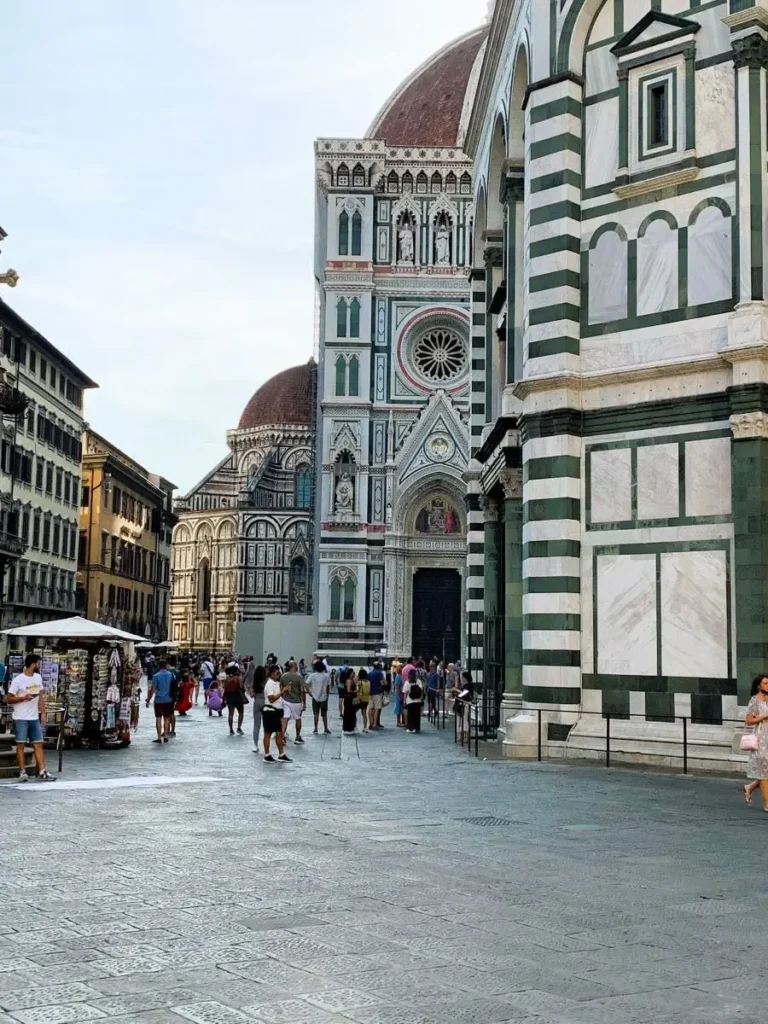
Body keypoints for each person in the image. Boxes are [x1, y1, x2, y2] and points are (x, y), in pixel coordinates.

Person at [6, 653, 56, 781]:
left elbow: (40, 697)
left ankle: (42, 771)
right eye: (38, 663)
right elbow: (9, 699)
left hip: (34, 717)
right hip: (21, 717)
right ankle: (22, 771)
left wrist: (43, 712)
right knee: (21, 745)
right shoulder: (18, 680)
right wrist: (23, 698)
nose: (39, 665)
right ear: (33, 664)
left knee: (38, 744)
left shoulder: (38, 677)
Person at [744, 674, 768, 807]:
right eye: (766, 683)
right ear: (759, 686)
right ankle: (767, 804)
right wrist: (763, 716)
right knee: (764, 772)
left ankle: (750, 787)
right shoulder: (754, 701)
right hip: (762, 738)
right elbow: (749, 721)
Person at [262, 664, 292, 763]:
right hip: (270, 711)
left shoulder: (276, 683)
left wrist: (285, 691)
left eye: (279, 673)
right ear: (272, 674)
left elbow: (279, 696)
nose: (278, 675)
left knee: (279, 733)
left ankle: (281, 754)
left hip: (277, 711)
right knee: (268, 733)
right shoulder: (269, 684)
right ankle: (267, 754)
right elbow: (271, 699)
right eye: (277, 673)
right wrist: (283, 691)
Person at [146, 658, 175, 743]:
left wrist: (148, 700)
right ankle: (165, 735)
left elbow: (153, 689)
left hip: (158, 700)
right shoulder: (171, 675)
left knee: (158, 718)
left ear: (159, 666)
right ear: (166, 665)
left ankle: (159, 737)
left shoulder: (156, 676)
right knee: (167, 718)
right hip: (168, 699)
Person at [280, 660, 306, 743]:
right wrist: (304, 702)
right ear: (293, 666)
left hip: (286, 700)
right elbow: (302, 691)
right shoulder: (299, 677)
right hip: (296, 701)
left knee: (285, 719)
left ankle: (282, 737)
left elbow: (281, 688)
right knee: (298, 718)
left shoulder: (283, 676)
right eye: (296, 665)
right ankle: (297, 737)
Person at [308, 659, 332, 735]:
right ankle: (325, 728)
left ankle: (315, 729)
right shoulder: (326, 676)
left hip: (315, 697)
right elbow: (328, 687)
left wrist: (309, 692)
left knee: (316, 714)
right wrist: (327, 695)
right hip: (324, 697)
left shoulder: (312, 676)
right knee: (324, 714)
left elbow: (306, 684)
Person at [223, 665, 245, 736]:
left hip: (229, 697)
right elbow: (241, 687)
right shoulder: (238, 678)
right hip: (237, 696)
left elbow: (224, 688)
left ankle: (231, 729)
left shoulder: (227, 679)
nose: (239, 671)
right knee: (241, 712)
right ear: (235, 671)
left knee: (230, 714)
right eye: (237, 670)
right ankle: (239, 727)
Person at [454, 670, 475, 743]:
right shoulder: (465, 685)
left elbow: (464, 694)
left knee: (464, 719)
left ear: (465, 677)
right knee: (460, 719)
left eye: (462, 677)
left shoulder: (468, 685)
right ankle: (460, 735)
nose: (461, 678)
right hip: (461, 703)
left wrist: (457, 690)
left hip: (465, 703)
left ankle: (465, 735)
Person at [251, 664, 266, 752]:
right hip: (265, 702)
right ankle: (266, 744)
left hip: (257, 702)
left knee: (256, 725)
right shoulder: (266, 681)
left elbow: (251, 694)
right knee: (266, 725)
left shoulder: (254, 682)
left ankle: (255, 745)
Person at [403, 668, 423, 734]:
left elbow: (405, 693)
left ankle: (411, 728)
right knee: (417, 715)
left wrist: (404, 701)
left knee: (410, 715)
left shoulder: (407, 682)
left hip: (410, 701)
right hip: (418, 701)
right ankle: (417, 728)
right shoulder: (419, 681)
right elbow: (421, 690)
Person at [367, 661, 386, 731]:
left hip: (370, 692)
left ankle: (370, 723)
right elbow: (384, 683)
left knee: (370, 708)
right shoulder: (379, 673)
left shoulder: (369, 674)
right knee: (377, 708)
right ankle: (375, 724)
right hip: (377, 692)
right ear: (379, 667)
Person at [342, 668, 358, 734]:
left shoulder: (352, 680)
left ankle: (350, 727)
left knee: (351, 713)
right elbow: (348, 690)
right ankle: (348, 728)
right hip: (349, 699)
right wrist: (355, 691)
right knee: (349, 713)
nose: (353, 674)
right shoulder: (349, 681)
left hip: (350, 698)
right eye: (352, 673)